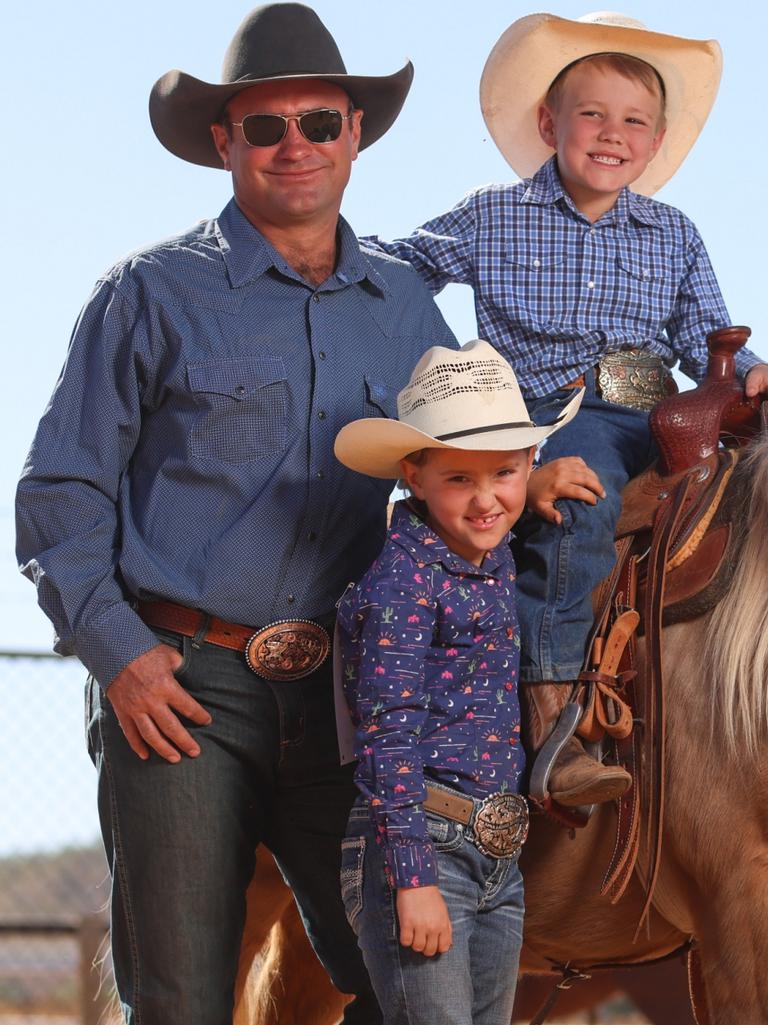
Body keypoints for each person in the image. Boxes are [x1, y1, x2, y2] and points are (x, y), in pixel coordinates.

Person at [14, 6, 459, 1023]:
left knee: (417, 981)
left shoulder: (406, 308)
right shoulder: (150, 294)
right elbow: (59, 491)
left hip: (348, 695)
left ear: (354, 131)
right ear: (224, 142)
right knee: (181, 1000)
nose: (293, 144)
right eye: (265, 126)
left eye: (317, 120)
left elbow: (473, 465)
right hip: (180, 685)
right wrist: (120, 654)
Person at [361, 12, 768, 808]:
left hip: (654, 415)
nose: (612, 135)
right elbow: (394, 271)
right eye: (592, 114)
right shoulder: (491, 215)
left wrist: (752, 376)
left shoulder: (673, 234)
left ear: (654, 143)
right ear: (550, 123)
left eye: (634, 122)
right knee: (581, 502)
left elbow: (701, 335)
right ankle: (554, 716)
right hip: (545, 413)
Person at [333, 339, 583, 1025]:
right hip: (422, 847)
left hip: (496, 855)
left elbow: (492, 502)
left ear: (528, 465)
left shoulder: (490, 552)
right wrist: (412, 879)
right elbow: (387, 734)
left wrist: (523, 492)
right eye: (458, 480)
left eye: (503, 473)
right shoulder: (402, 583)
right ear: (413, 474)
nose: (485, 500)